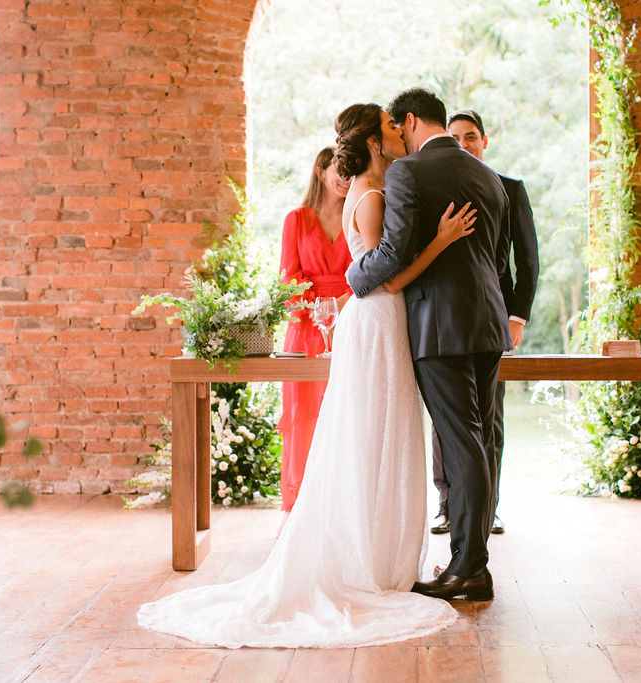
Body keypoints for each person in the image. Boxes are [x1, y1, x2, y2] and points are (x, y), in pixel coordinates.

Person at [137, 103, 475, 648]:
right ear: (371, 140)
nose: (399, 132)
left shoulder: (376, 188)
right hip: (376, 323)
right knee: (372, 435)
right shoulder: (370, 195)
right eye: (391, 127)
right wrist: (440, 240)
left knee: (379, 433)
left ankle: (379, 554)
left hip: (381, 323)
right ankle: (367, 561)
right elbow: (383, 280)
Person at [347, 88, 512, 602]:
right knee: (478, 439)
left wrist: (354, 274)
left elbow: (392, 253)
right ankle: (470, 558)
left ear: (411, 120)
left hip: (441, 326)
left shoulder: (409, 173)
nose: (399, 134)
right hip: (488, 322)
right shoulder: (487, 174)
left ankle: (470, 567)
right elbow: (497, 257)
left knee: (460, 441)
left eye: (400, 126)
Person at [429, 109, 540, 538]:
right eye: (455, 137)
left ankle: (488, 507)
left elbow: (527, 261)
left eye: (471, 136)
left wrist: (516, 316)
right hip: (448, 320)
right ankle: (446, 505)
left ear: (485, 140)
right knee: (446, 420)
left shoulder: (510, 189)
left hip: (494, 320)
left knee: (489, 418)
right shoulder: (439, 190)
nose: (463, 143)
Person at [277, 146, 353, 512]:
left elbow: (371, 266)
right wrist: (320, 307)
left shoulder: (359, 213)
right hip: (307, 327)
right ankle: (305, 503)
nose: (345, 176)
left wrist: (342, 304)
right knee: (305, 412)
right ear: (321, 171)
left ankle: (341, 500)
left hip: (354, 319)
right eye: (339, 168)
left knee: (345, 412)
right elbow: (288, 276)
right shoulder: (297, 219)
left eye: (350, 170)